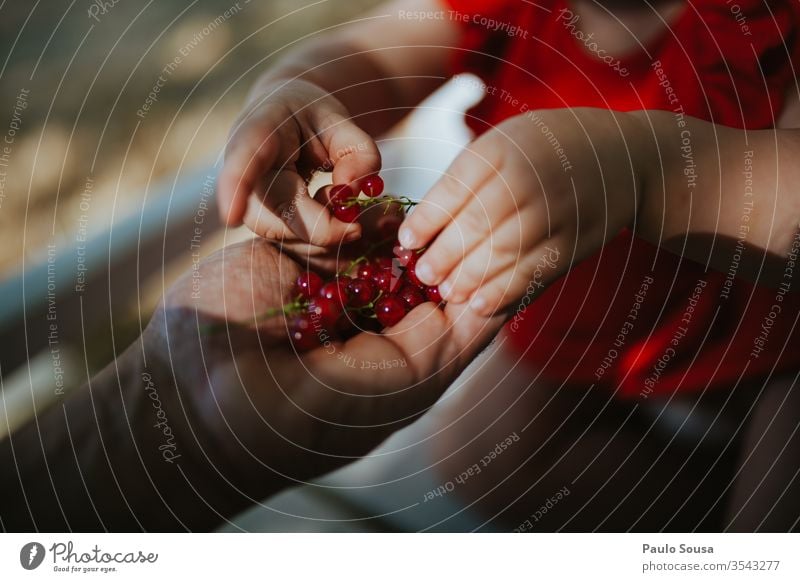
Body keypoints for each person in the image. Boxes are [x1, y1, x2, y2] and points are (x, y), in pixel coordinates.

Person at [217, 0, 800, 530]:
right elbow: (374, 51)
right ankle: (698, 511)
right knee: (476, 456)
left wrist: (647, 173)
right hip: (593, 318)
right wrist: (295, 90)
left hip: (778, 339)